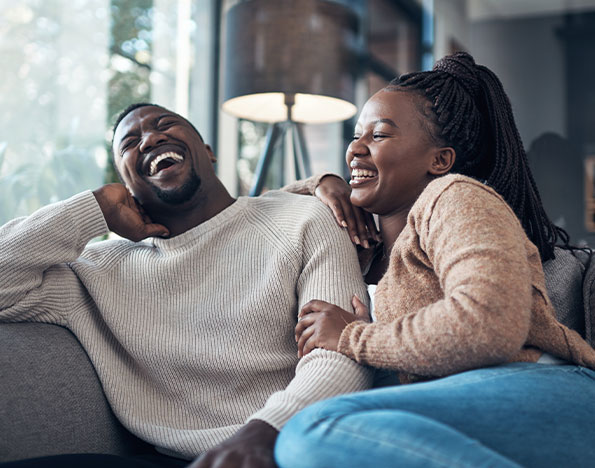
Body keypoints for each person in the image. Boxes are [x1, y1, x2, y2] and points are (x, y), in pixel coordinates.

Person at [0, 103, 373, 468]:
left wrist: (265, 432)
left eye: (165, 123)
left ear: (207, 151)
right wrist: (94, 207)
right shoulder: (98, 271)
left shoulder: (303, 218)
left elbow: (342, 354)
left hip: (288, 443)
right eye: (130, 143)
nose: (148, 139)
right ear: (125, 183)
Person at [274, 52, 595, 468]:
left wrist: (354, 337)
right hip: (469, 411)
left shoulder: (456, 197)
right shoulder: (357, 244)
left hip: (552, 392)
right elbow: (257, 213)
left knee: (312, 430)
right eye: (356, 135)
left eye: (380, 135)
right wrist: (324, 184)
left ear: (440, 160)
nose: (355, 148)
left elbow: (490, 323)